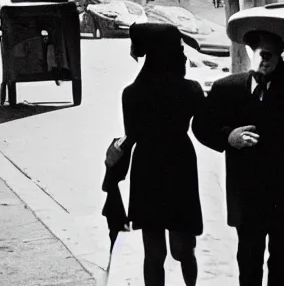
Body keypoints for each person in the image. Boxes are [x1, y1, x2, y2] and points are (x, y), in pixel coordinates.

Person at [193, 29, 284, 286]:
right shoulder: (227, 88)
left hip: (281, 195)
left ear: (280, 56)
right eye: (259, 54)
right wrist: (228, 137)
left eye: (270, 55)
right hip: (247, 194)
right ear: (250, 54)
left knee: (281, 262)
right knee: (248, 258)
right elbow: (201, 126)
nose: (264, 61)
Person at [122, 22, 205, 286]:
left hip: (147, 167)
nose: (183, 55)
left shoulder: (131, 94)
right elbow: (207, 125)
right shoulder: (190, 90)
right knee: (183, 248)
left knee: (153, 253)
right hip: (180, 165)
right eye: (179, 48)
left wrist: (114, 158)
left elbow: (131, 135)